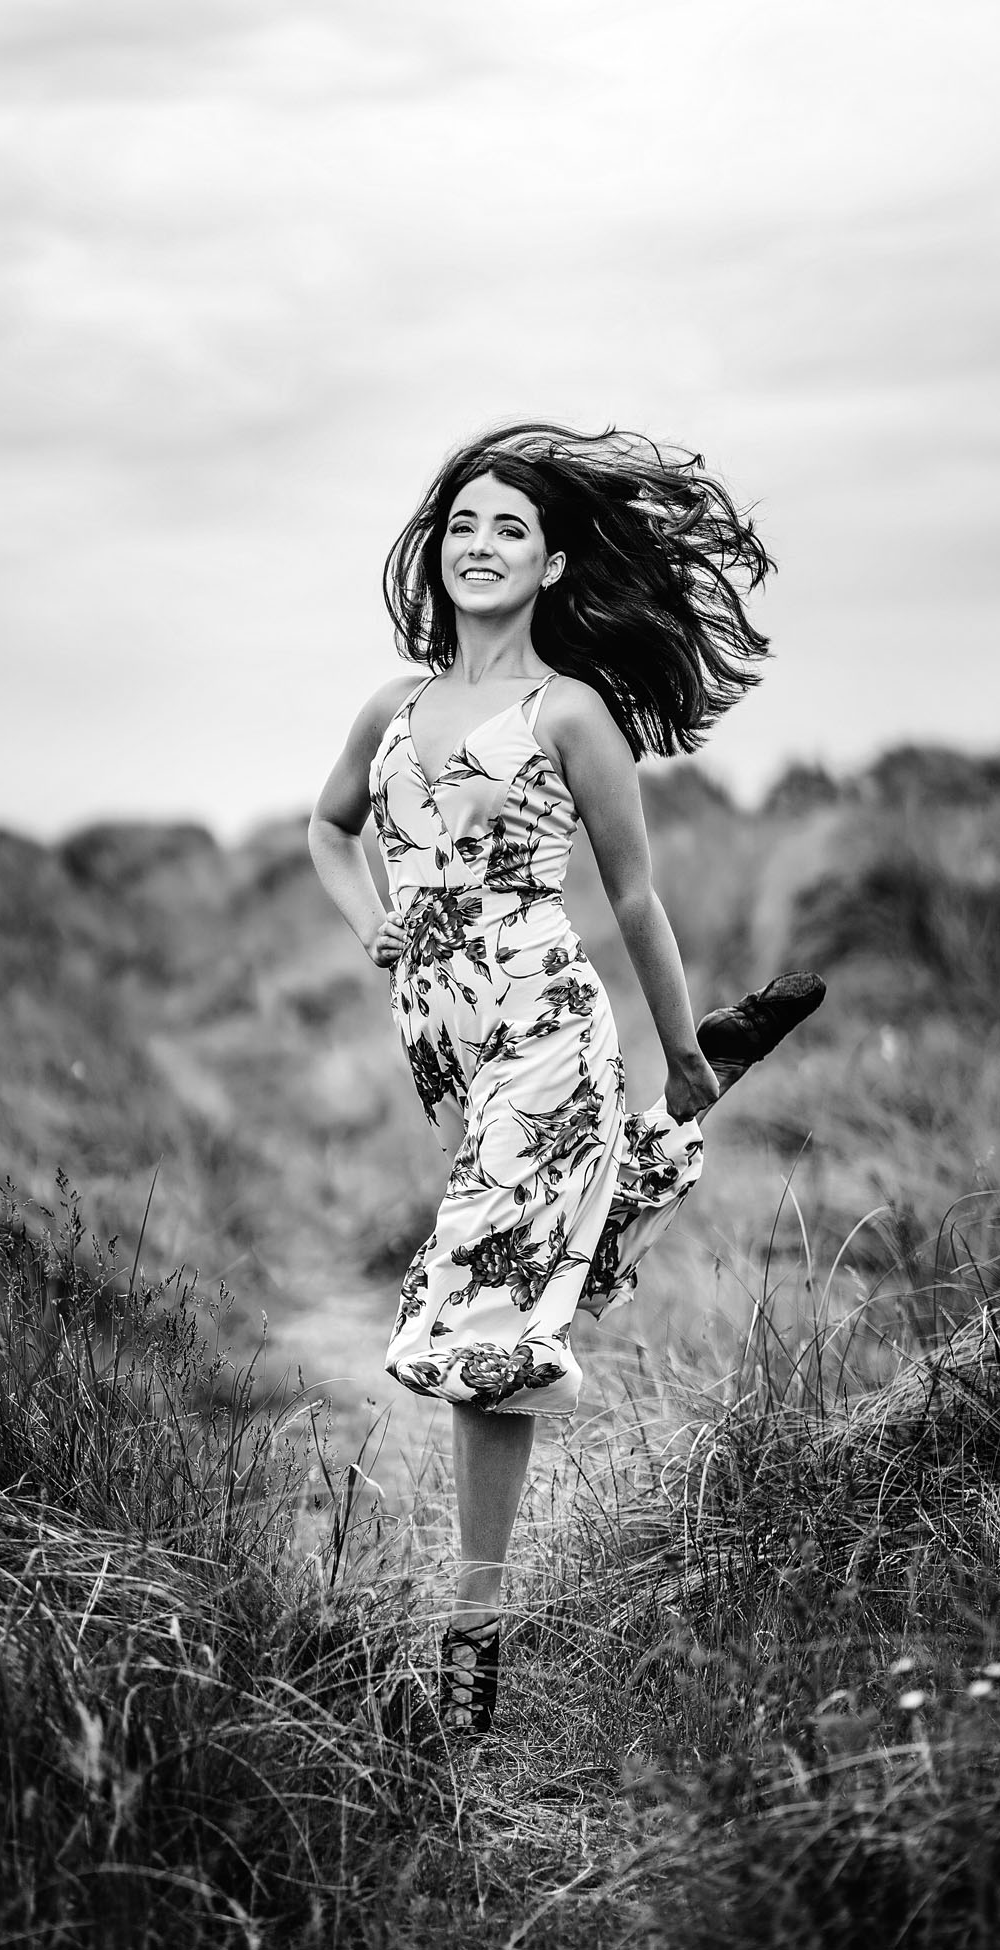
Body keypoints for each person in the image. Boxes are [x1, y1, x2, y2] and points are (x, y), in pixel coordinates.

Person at [307, 422, 823, 1735]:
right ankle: (667, 1128)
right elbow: (329, 824)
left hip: (541, 1016)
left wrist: (676, 1036)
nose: (480, 546)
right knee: (544, 1267)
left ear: (548, 567)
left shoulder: (570, 712)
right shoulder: (393, 705)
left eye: (510, 531)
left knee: (490, 1313)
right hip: (442, 1036)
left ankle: (473, 1635)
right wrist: (372, 915)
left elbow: (636, 900)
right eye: (463, 525)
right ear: (439, 550)